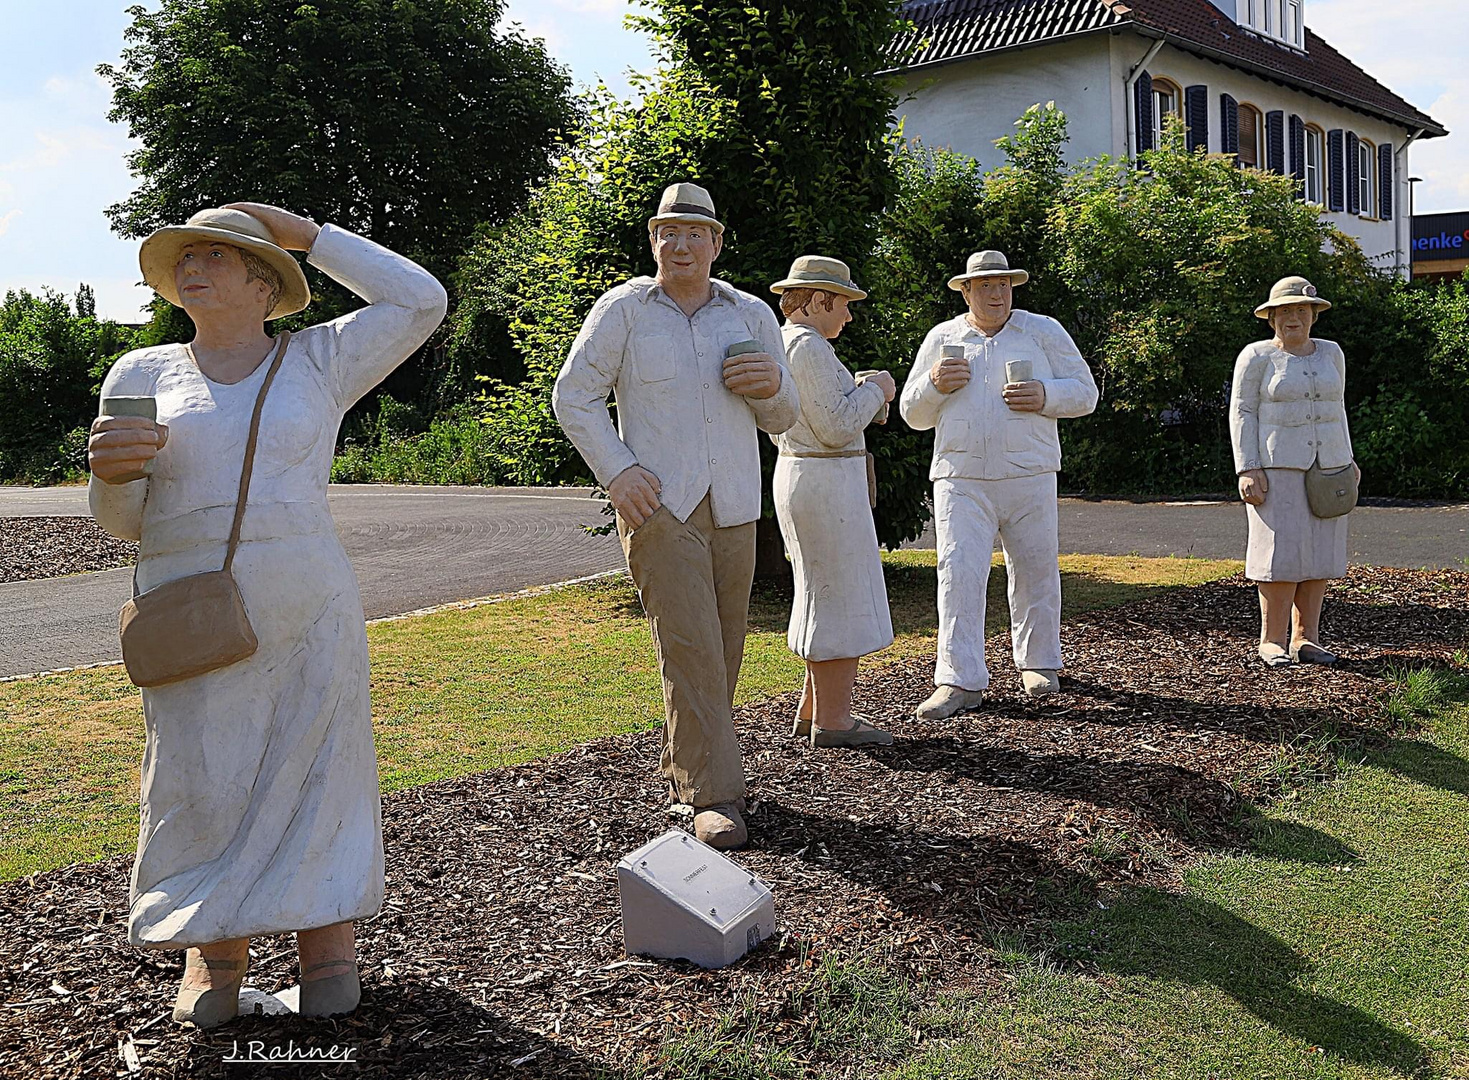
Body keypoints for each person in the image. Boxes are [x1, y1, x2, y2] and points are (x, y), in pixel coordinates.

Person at [88, 203, 447, 1027]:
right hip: (187, 605)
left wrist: (310, 234)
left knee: (319, 769)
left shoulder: (321, 359)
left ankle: (329, 953)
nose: (193, 266)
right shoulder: (141, 372)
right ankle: (213, 958)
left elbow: (420, 301)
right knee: (198, 777)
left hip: (305, 599)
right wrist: (109, 476)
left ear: (265, 283)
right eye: (184, 256)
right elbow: (124, 522)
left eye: (219, 254)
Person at [552, 183, 798, 849]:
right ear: (653, 240)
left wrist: (775, 388)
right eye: (669, 231)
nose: (681, 243)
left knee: (722, 649)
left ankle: (685, 769)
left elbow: (783, 419)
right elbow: (572, 396)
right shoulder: (624, 310)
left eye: (695, 232)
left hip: (737, 505)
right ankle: (714, 797)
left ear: (716, 243)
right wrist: (618, 470)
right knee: (690, 647)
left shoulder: (748, 313)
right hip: (659, 508)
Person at [899, 251, 1098, 719]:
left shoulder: (1042, 330)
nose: (996, 293)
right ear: (965, 291)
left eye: (1003, 284)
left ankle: (1040, 662)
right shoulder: (943, 338)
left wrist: (1046, 394)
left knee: (1036, 569)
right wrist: (933, 383)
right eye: (985, 285)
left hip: (1029, 473)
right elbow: (912, 413)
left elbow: (1085, 392)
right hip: (961, 477)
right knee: (958, 574)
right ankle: (958, 679)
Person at [768, 256, 896, 748]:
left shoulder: (790, 344)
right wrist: (877, 388)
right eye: (843, 302)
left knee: (822, 591)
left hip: (815, 478)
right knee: (837, 595)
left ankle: (814, 708)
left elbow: (831, 413)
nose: (848, 314)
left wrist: (863, 394)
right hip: (823, 481)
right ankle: (835, 720)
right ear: (819, 300)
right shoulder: (807, 348)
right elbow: (837, 425)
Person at [1230, 276, 1357, 666]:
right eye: (1284, 311)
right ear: (1271, 318)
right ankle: (1272, 639)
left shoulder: (1332, 353)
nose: (1293, 318)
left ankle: (1307, 638)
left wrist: (1348, 459)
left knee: (1321, 552)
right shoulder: (1256, 356)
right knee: (1279, 554)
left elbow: (1338, 407)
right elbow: (1242, 412)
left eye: (1301, 310)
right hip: (1276, 467)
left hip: (1330, 467)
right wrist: (1248, 467)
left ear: (1313, 316)